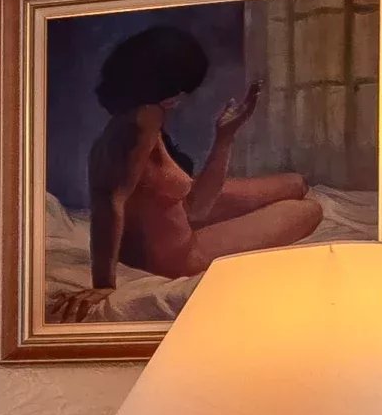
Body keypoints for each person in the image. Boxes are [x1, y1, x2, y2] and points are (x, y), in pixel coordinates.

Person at [68, 23, 321, 311]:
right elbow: (110, 199)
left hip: (178, 221)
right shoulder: (142, 122)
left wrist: (225, 136)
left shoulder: (134, 122)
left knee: (296, 184)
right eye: (177, 86)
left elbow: (196, 206)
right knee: (309, 210)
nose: (181, 97)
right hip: (179, 257)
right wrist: (103, 284)